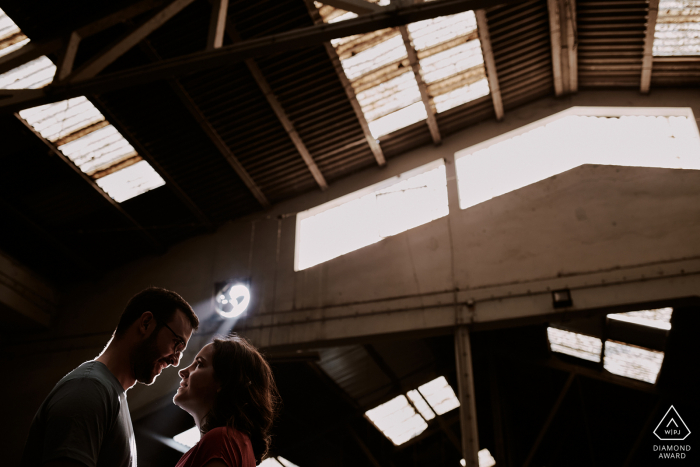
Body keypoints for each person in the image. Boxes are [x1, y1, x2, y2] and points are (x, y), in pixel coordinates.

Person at [21, 287, 200, 467]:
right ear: (146, 323)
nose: (175, 361)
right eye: (177, 343)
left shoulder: (109, 394)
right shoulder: (88, 389)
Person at [173, 335, 279, 467]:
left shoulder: (222, 440)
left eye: (199, 364)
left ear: (225, 382)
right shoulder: (233, 442)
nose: (182, 371)